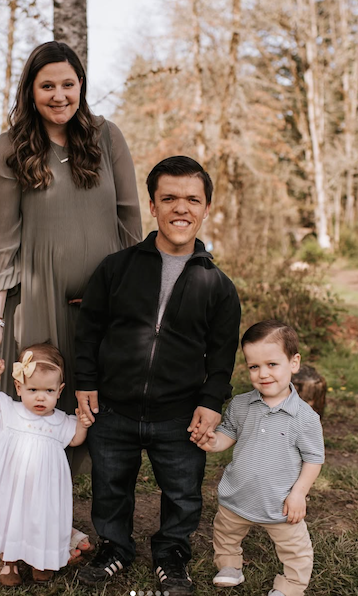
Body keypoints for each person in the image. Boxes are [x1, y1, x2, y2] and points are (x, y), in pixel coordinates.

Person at [0, 41, 142, 546]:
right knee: (34, 411)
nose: (59, 95)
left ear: (81, 85)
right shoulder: (10, 149)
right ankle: (21, 528)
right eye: (47, 85)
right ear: (31, 90)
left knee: (89, 411)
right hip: (35, 303)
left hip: (100, 305)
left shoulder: (106, 137)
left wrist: (118, 295)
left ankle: (67, 517)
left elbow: (129, 223)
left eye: (68, 84)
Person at [74, 156, 241, 596]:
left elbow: (222, 356)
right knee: (110, 487)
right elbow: (89, 329)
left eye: (192, 200)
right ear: (152, 205)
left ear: (206, 208)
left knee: (183, 492)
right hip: (114, 408)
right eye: (169, 198)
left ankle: (171, 553)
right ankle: (114, 547)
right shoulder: (117, 268)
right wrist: (86, 381)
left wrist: (210, 402)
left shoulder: (218, 285)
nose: (180, 208)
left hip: (179, 414)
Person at [195, 320, 325, 596]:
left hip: (280, 503)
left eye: (272, 364)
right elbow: (228, 433)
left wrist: (298, 494)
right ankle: (229, 565)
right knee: (225, 533)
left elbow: (314, 458)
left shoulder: (305, 418)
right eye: (254, 366)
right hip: (238, 494)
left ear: (294, 362)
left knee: (295, 549)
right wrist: (213, 442)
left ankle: (291, 586)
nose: (263, 374)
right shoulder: (241, 404)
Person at [0, 343, 91, 586]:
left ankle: (40, 559)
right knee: (9, 518)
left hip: (43, 491)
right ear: (19, 387)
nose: (40, 397)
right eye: (32, 389)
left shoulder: (60, 421)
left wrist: (83, 424)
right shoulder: (10, 411)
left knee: (41, 520)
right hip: (12, 487)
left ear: (59, 391)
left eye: (48, 390)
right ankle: (8, 560)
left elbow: (75, 439)